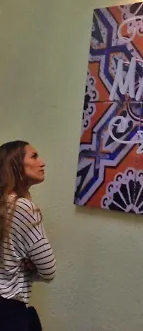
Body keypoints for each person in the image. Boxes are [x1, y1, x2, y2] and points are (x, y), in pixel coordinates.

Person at [0, 141, 56, 330]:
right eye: (34, 156)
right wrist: (29, 267)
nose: (42, 162)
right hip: (8, 311)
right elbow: (48, 271)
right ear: (15, 164)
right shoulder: (23, 208)